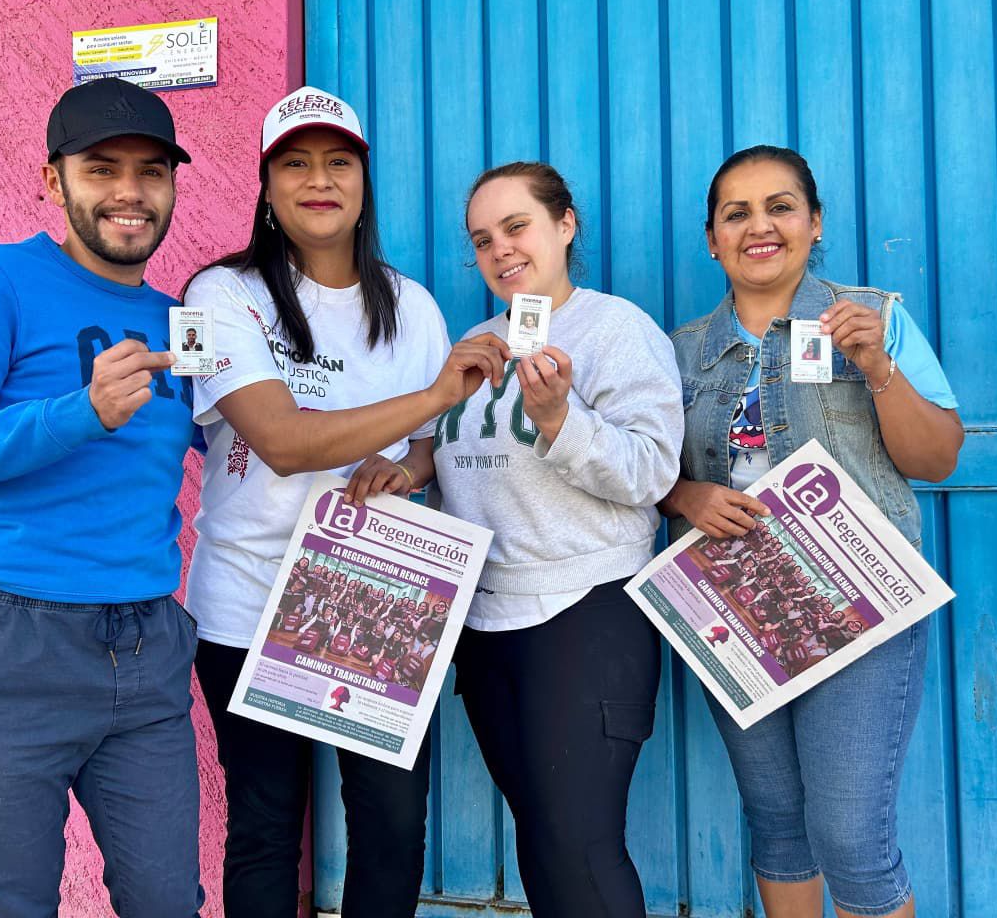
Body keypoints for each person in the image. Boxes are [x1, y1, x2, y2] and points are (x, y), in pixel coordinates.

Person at [183, 86, 509, 918]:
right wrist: (432, 398)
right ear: (266, 185)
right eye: (295, 163)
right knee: (264, 830)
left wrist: (408, 468)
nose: (319, 180)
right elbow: (284, 441)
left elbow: (431, 444)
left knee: (392, 827)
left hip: (376, 597)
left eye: (338, 162)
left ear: (364, 181)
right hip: (248, 606)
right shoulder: (222, 294)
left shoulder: (411, 305)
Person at [0, 77, 203, 917]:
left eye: (151, 171)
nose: (130, 192)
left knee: (168, 900)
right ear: (52, 181)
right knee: (12, 903)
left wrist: (404, 442)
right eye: (102, 168)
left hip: (146, 644)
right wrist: (80, 412)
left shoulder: (181, 321)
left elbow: (250, 442)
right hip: (9, 644)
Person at [348, 161, 684, 918]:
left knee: (579, 849)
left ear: (565, 225)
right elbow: (457, 451)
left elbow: (652, 471)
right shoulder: (476, 342)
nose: (499, 248)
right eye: (481, 239)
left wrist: (562, 419)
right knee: (542, 839)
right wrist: (408, 469)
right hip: (484, 622)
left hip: (583, 611)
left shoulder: (616, 330)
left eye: (516, 226)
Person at [661, 145, 963, 918]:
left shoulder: (871, 318)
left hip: (861, 607)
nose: (759, 227)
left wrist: (877, 367)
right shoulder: (683, 351)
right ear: (712, 239)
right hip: (736, 608)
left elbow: (937, 458)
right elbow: (648, 475)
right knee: (778, 825)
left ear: (815, 222)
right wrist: (687, 496)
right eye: (736, 214)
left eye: (781, 207)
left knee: (852, 837)